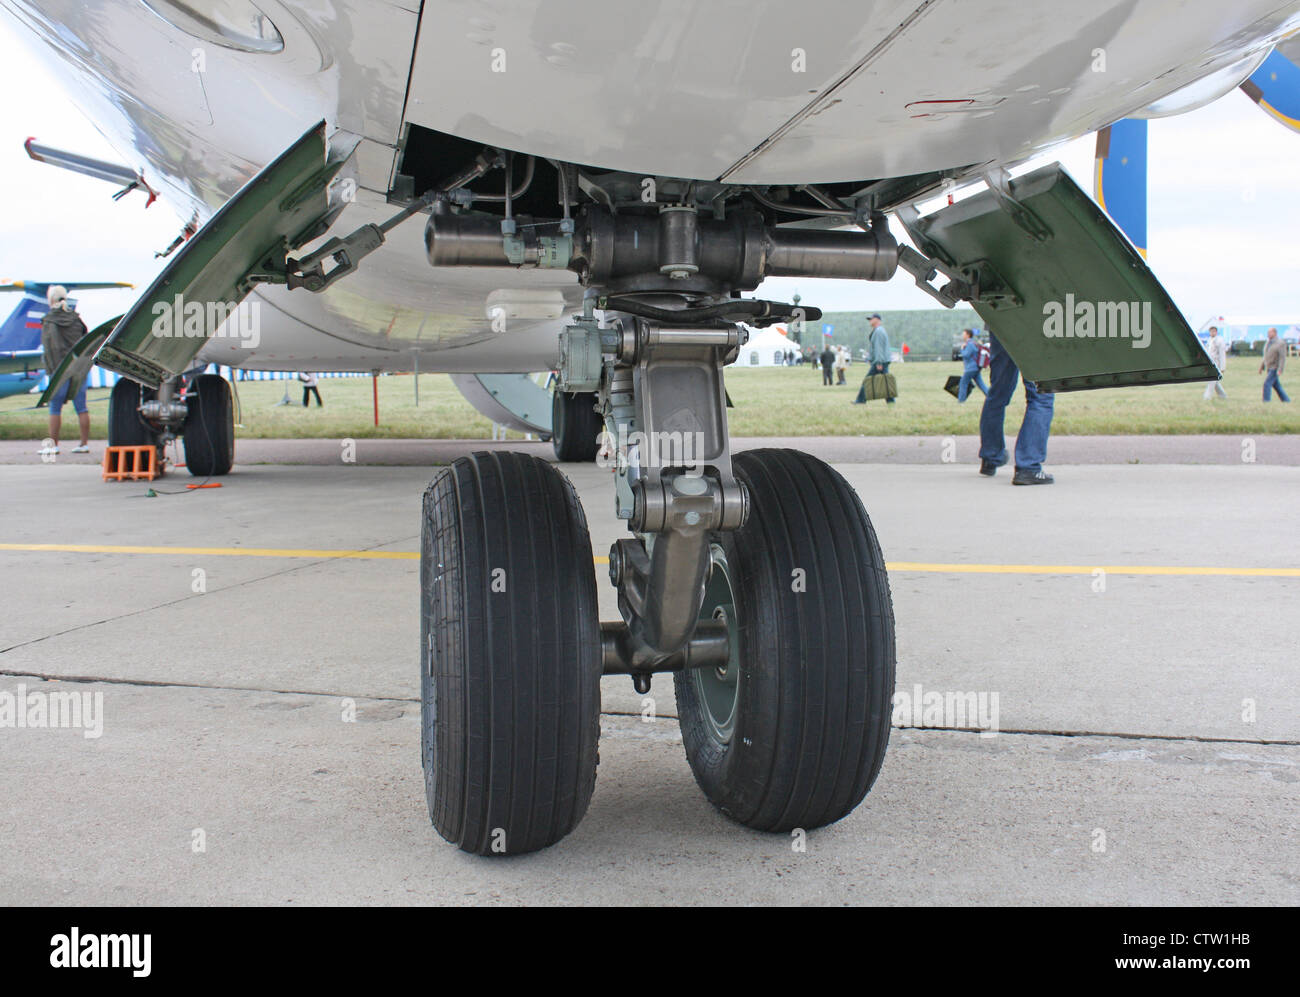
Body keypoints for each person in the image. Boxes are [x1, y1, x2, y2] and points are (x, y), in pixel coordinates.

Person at [978, 331, 1055, 484]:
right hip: (1031, 323)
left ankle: (990, 457)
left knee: (997, 393)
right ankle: (1028, 466)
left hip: (998, 320)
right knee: (1041, 395)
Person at [39, 285, 90, 455]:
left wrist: (53, 371)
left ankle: (53, 446)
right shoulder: (76, 319)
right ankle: (84, 444)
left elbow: (49, 347)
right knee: (82, 407)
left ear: (51, 299)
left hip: (59, 369)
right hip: (78, 368)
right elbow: (86, 339)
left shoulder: (49, 320)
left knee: (54, 408)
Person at [866, 314, 894, 404]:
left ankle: (860, 400)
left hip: (879, 362)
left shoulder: (878, 331)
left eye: (871, 319)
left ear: (877, 320)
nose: (870, 321)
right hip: (881, 361)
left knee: (868, 381)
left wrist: (878, 362)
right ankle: (891, 401)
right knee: (885, 382)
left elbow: (878, 348)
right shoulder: (879, 331)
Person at [957, 329, 988, 402]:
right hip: (976, 368)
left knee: (963, 383)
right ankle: (991, 397)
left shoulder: (970, 344)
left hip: (971, 368)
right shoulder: (973, 343)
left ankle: (961, 401)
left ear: (968, 335)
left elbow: (966, 355)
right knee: (981, 384)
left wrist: (962, 349)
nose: (962, 335)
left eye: (963, 334)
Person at [1260, 327, 1289, 403]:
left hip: (1275, 367)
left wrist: (1280, 369)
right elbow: (1266, 355)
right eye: (1268, 332)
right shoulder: (1268, 342)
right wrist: (1262, 366)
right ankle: (1286, 400)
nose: (1268, 334)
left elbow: (1282, 358)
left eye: (1270, 332)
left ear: (1275, 333)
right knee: (1276, 386)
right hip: (1269, 367)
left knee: (1267, 384)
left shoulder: (1280, 343)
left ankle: (1266, 401)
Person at [1203, 326, 1227, 400]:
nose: (1212, 333)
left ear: (1216, 332)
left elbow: (1222, 354)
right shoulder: (1209, 340)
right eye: (1211, 331)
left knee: (1212, 381)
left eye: (1213, 331)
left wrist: (1222, 367)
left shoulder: (1220, 341)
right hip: (1210, 363)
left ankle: (1207, 397)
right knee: (1215, 382)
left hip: (1217, 363)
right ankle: (1223, 395)